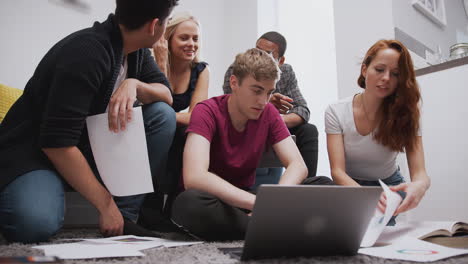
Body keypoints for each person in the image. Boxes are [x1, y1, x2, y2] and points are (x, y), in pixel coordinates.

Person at [0, 0, 179, 243]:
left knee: (161, 115)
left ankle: (125, 217)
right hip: (35, 154)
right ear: (154, 25)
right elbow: (57, 144)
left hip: (85, 146)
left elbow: (166, 95)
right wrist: (105, 204)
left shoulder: (135, 52)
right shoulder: (86, 53)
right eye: (168, 22)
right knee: (34, 225)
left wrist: (134, 84)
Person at [171, 48, 333, 241]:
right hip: (216, 199)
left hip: (248, 200)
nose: (263, 101)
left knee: (324, 186)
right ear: (234, 83)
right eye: (256, 91)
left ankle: (261, 225)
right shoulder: (206, 111)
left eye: (269, 92)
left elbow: (297, 165)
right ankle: (276, 225)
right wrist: (259, 204)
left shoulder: (269, 112)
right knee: (188, 204)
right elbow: (195, 177)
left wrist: (273, 201)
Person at [325, 39, 430, 225]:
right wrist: (367, 198)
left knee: (381, 242)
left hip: (388, 186)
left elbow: (420, 174)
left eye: (396, 74)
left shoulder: (408, 114)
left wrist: (419, 187)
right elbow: (338, 171)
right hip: (349, 185)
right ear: (365, 70)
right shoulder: (336, 111)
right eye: (380, 70)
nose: (386, 78)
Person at [138, 12, 209, 230]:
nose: (191, 44)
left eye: (195, 39)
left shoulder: (201, 70)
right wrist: (160, 61)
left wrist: (170, 118)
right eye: (184, 38)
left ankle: (176, 208)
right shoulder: (147, 62)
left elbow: (195, 117)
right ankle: (150, 207)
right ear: (167, 39)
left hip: (167, 125)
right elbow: (154, 110)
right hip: (146, 126)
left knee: (188, 133)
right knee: (168, 126)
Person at [223, 31, 318, 188]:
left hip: (273, 127)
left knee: (308, 130)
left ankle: (306, 188)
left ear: (280, 61)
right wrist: (267, 105)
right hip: (244, 126)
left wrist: (275, 119)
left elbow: (303, 110)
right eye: (257, 50)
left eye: (267, 53)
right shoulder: (237, 69)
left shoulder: (286, 72)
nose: (260, 56)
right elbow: (232, 107)